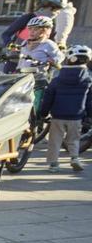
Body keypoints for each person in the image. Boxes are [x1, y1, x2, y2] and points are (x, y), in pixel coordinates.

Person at [38, 44, 91, 173]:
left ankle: (53, 164)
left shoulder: (57, 80)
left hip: (58, 116)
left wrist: (43, 113)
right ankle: (74, 158)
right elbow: (90, 101)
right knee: (74, 139)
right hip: (76, 116)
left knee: (55, 141)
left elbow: (48, 98)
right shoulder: (87, 81)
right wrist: (89, 115)